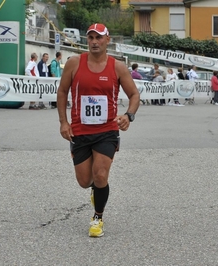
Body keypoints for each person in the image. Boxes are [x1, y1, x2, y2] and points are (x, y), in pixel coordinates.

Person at [56, 23, 140, 238]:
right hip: (80, 131)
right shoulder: (74, 63)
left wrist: (128, 115)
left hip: (107, 130)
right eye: (91, 37)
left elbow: (134, 95)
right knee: (85, 182)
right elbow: (63, 92)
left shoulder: (117, 67)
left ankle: (97, 217)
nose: (94, 41)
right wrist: (64, 123)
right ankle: (97, 191)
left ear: (107, 40)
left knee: (101, 175)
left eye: (99, 38)